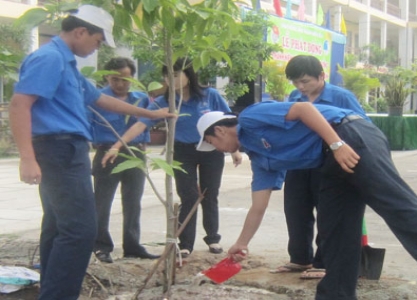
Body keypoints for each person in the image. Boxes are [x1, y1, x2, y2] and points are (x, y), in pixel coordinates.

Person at [195, 101, 417, 300]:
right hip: (326, 161)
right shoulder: (261, 159)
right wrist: (242, 243)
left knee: (398, 207)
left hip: (347, 135)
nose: (216, 150)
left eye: (212, 144)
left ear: (219, 131)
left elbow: (304, 109)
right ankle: (337, 294)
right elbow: (259, 206)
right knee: (335, 228)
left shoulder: (252, 117)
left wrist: (337, 144)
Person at [8, 6, 175, 300]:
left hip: (65, 148)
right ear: (80, 31)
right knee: (80, 231)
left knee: (59, 227)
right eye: (97, 41)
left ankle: (51, 292)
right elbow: (20, 104)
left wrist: (148, 113)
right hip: (57, 149)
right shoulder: (49, 58)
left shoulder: (66, 63)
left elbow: (100, 100)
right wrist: (27, 157)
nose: (97, 47)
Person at [101, 57, 242, 258]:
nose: (171, 79)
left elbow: (228, 122)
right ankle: (185, 243)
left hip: (212, 149)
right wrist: (116, 146)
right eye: (167, 76)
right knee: (188, 195)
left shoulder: (209, 95)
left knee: (210, 194)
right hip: (182, 151)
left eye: (175, 75)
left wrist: (234, 149)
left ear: (188, 75)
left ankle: (213, 238)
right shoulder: (164, 102)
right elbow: (141, 124)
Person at [272, 55, 371, 278]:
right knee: (296, 209)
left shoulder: (342, 97)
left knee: (328, 213)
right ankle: (299, 259)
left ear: (321, 76)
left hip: (328, 163)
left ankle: (324, 262)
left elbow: (363, 127)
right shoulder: (295, 96)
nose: (300, 87)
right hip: (299, 161)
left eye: (305, 81)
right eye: (295, 82)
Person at [90, 57, 159, 263]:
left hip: (135, 153)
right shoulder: (97, 98)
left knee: (133, 201)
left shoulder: (141, 99)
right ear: (107, 78)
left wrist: (143, 145)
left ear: (132, 78)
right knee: (102, 202)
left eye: (125, 79)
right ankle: (101, 246)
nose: (120, 84)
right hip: (106, 153)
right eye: (114, 79)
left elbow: (144, 124)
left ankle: (132, 245)